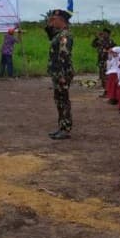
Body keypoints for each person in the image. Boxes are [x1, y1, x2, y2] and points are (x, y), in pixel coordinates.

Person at [46, 9, 75, 140]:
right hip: (58, 72)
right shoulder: (58, 34)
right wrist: (49, 23)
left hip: (62, 73)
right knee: (59, 100)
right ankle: (61, 127)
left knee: (63, 101)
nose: (53, 22)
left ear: (62, 21)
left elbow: (64, 55)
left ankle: (66, 128)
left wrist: (62, 75)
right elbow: (49, 34)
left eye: (55, 19)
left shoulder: (65, 35)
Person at [91, 28, 116, 96]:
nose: (104, 34)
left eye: (105, 33)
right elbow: (93, 45)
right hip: (101, 61)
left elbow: (113, 49)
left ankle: (108, 91)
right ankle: (106, 91)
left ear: (108, 34)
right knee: (102, 76)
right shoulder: (100, 40)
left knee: (106, 77)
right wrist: (96, 38)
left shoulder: (111, 41)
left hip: (108, 61)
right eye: (103, 33)